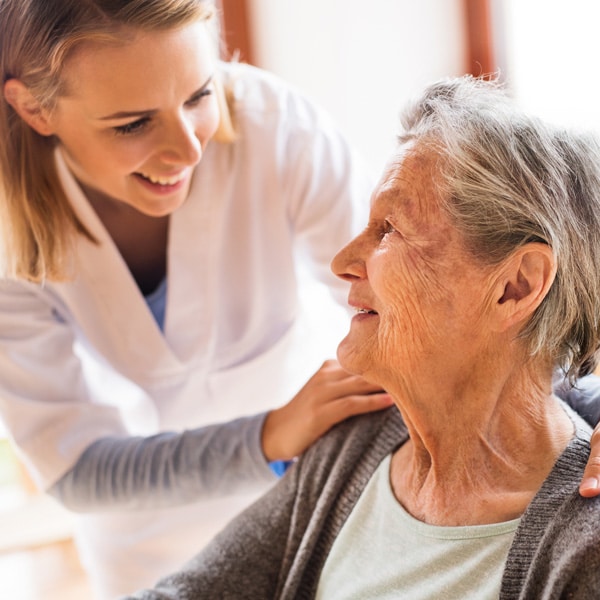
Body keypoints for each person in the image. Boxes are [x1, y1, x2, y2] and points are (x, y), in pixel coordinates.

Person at [126, 76, 600, 599]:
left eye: (389, 229)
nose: (342, 263)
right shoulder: (355, 441)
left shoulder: (585, 542)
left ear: (516, 286)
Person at [0, 0, 395, 597]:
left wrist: (585, 412)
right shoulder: (8, 227)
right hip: (147, 543)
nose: (188, 150)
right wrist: (266, 437)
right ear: (34, 108)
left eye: (199, 95)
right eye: (132, 124)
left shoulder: (277, 127)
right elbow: (77, 468)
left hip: (319, 499)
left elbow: (417, 307)